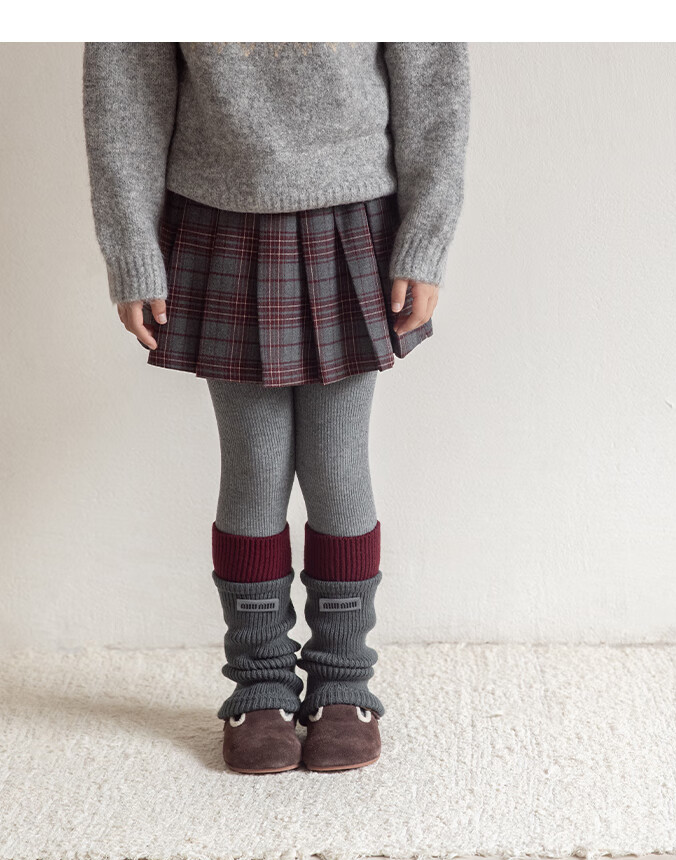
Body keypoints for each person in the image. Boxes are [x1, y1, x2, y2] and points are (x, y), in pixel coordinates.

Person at [82, 41, 470, 774]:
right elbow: (124, 88)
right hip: (220, 217)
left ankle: (343, 686)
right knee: (254, 468)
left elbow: (435, 82)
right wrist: (131, 248)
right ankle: (260, 687)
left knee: (335, 465)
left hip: (354, 218)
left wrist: (425, 239)